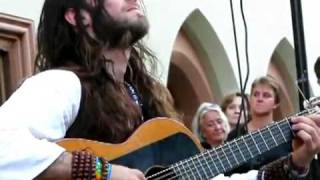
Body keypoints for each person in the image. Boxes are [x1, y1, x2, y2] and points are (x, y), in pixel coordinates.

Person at [0, 0, 320, 179]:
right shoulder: (62, 84)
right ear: (77, 15)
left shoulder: (145, 99)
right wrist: (106, 172)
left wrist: (295, 162)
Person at [226, 76, 292, 175]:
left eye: (266, 95)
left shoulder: (285, 133)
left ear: (276, 103)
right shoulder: (234, 135)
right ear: (249, 99)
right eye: (256, 94)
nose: (260, 99)